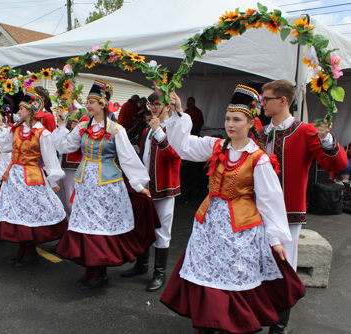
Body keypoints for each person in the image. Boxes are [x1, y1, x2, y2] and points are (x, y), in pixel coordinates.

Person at [160, 86, 305, 334]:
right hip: (210, 224)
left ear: (250, 123)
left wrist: (275, 238)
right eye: (228, 119)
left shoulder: (258, 158)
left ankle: (230, 323)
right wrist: (180, 115)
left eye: (237, 119)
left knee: (232, 276)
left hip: (241, 228)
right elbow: (184, 146)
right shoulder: (217, 146)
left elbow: (270, 201)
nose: (230, 124)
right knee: (209, 272)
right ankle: (210, 322)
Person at [257, 79, 348, 334]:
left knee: (284, 266)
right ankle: (256, 315)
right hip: (258, 212)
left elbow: (336, 164)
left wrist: (327, 139)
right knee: (257, 262)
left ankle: (279, 325)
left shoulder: (304, 130)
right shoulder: (262, 133)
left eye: (267, 99)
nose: (262, 104)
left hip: (288, 213)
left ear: (283, 100)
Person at [52, 79, 158, 290]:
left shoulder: (116, 129)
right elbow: (63, 146)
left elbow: (128, 159)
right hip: (84, 184)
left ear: (103, 104)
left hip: (107, 187)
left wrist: (139, 185)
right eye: (88, 101)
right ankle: (89, 269)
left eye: (93, 101)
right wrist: (62, 123)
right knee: (85, 227)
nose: (89, 105)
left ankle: (100, 273)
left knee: (99, 229)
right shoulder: (82, 127)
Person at [0, 88, 67, 267]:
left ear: (31, 111)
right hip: (14, 177)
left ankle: (30, 251)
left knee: (30, 214)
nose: (18, 112)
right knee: (18, 213)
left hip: (32, 177)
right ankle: (23, 249)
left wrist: (53, 180)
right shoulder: (16, 129)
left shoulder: (43, 133)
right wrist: (1, 127)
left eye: (21, 109)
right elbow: (4, 147)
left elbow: (50, 158)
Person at [121, 91, 181, 292]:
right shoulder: (147, 130)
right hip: (147, 187)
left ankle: (160, 273)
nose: (153, 107)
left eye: (157, 104)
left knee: (163, 230)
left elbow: (175, 156)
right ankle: (141, 265)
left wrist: (159, 132)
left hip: (165, 188)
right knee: (143, 225)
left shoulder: (172, 128)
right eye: (151, 104)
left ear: (167, 106)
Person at [55, 98, 89, 217]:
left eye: (65, 99)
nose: (62, 101)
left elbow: (84, 142)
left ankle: (74, 224)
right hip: (61, 161)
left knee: (71, 199)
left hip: (73, 164)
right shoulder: (65, 118)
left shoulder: (83, 118)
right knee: (60, 197)